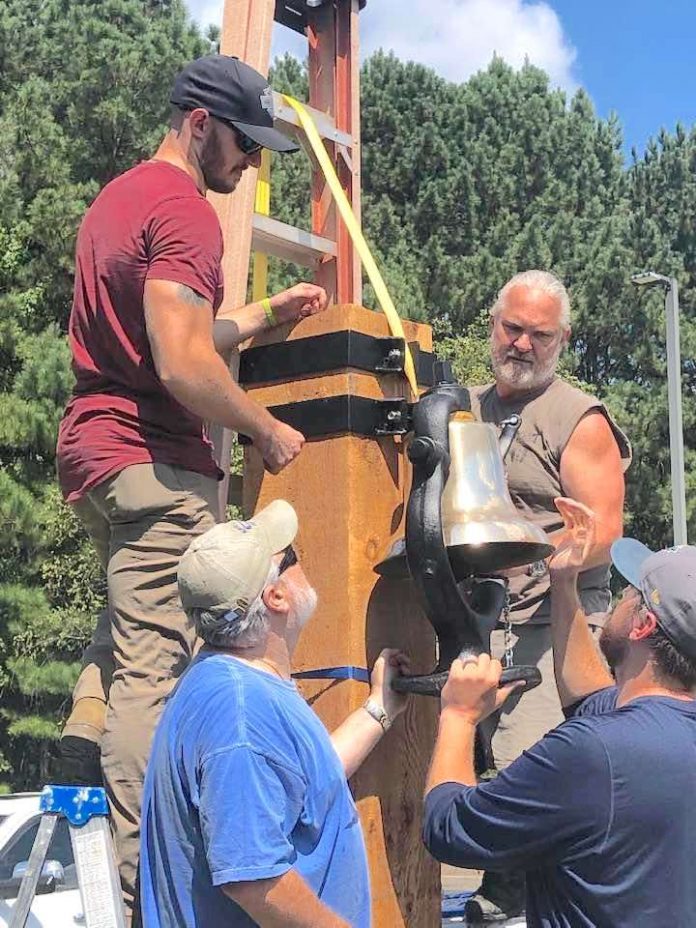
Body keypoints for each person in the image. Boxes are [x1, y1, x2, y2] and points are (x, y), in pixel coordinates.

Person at [55, 53, 328, 919]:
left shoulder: (120, 198)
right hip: (155, 459)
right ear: (198, 123)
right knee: (158, 670)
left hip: (102, 459)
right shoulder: (185, 211)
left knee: (124, 636)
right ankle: (140, 889)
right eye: (243, 147)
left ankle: (74, 747)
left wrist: (260, 317)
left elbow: (174, 329)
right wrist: (265, 426)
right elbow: (180, 363)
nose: (249, 167)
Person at [423, 496, 696, 927]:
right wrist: (564, 583)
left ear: (643, 625)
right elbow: (588, 700)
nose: (620, 597)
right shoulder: (644, 730)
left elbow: (449, 828)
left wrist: (457, 716)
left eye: (629, 592)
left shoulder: (594, 753)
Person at [139, 499, 409, 927]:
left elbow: (299, 784)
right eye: (293, 558)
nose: (303, 564)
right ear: (277, 596)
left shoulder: (228, 684)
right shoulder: (240, 714)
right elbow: (253, 878)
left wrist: (378, 709)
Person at [465, 269, 631, 920]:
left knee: (525, 777)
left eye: (539, 334)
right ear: (493, 326)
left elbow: (606, 531)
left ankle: (512, 907)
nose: (523, 345)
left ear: (561, 340)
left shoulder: (577, 417)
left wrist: (556, 554)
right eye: (513, 329)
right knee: (444, 763)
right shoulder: (463, 408)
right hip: (473, 622)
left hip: (551, 629)